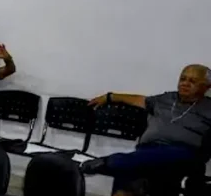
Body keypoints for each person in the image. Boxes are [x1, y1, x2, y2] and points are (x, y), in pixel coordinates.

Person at [83, 64, 211, 187]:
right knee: (133, 166)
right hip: (147, 150)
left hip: (183, 154)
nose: (185, 83)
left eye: (192, 81)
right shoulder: (166, 98)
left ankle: (111, 163)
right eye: (183, 79)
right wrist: (110, 97)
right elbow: (138, 100)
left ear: (206, 87)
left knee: (137, 163)